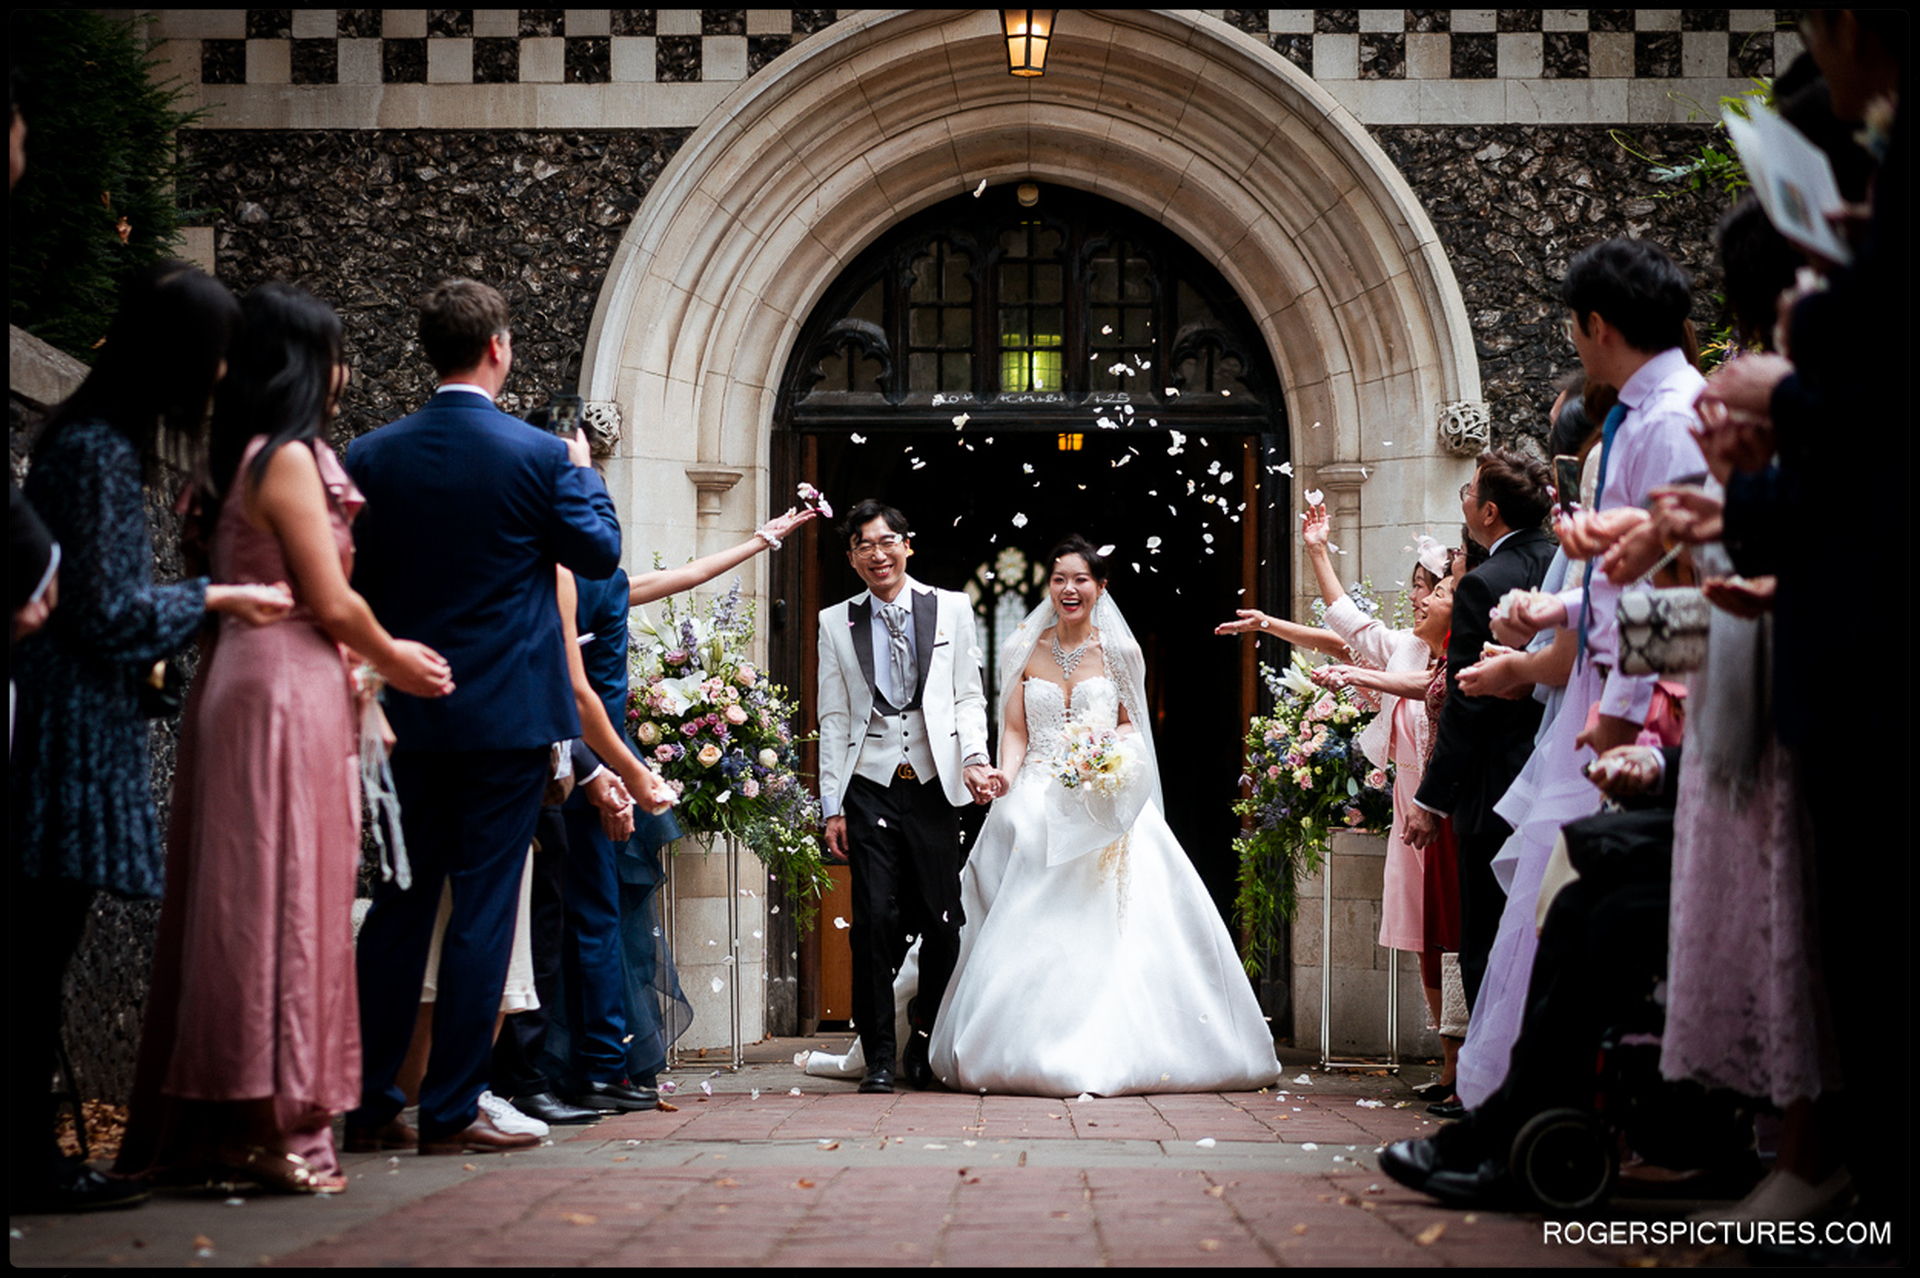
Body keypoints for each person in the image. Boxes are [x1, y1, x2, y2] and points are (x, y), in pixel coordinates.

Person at [114, 282, 455, 1194]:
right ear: (306, 364)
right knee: (286, 902)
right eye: (335, 353)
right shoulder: (291, 458)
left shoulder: (235, 459)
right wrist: (396, 659)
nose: (344, 372)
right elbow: (330, 599)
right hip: (281, 690)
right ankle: (267, 1124)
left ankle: (234, 1125)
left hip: (248, 680)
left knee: (244, 900)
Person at [10, 262, 294, 1212]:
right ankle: (29, 1163)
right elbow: (109, 612)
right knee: (37, 951)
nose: (220, 379)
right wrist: (219, 595)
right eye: (215, 357)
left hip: (75, 721)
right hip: (70, 731)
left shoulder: (94, 442)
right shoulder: (95, 451)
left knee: (40, 947)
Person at [342, 277, 636, 1157]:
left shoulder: (370, 454)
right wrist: (580, 471)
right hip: (506, 721)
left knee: (400, 904)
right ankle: (451, 1108)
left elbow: (354, 578)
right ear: (498, 348)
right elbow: (599, 553)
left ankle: (369, 1104)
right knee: (482, 909)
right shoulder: (541, 457)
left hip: (409, 711)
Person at [1472, 238, 1706, 1111]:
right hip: (1617, 687)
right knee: (1563, 902)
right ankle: (1521, 1111)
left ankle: (1546, 1112)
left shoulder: (1670, 420)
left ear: (1596, 324)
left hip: (1643, 708)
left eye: (1573, 327)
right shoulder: (1645, 415)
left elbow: (1668, 586)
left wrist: (1619, 715)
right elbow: (1628, 575)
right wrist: (1558, 608)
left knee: (1581, 902)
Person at [929, 536, 1281, 1097]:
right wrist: (1005, 777)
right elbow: (1016, 730)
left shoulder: (1122, 652)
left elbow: (1128, 723)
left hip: (1100, 789)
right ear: (1048, 586)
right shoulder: (1024, 647)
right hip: (1036, 784)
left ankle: (1110, 1039)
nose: (1069, 589)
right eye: (1059, 579)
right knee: (1025, 837)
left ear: (1101, 587)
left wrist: (1108, 761)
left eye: (1081, 579)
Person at [816, 499, 997, 1094]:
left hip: (934, 784)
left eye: (886, 541)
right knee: (872, 921)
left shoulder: (951, 608)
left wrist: (974, 757)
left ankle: (921, 1042)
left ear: (906, 545)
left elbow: (968, 694)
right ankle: (877, 1057)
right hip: (868, 785)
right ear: (852, 558)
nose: (877, 554)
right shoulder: (834, 622)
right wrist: (832, 806)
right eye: (864, 545)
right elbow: (833, 716)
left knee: (943, 922)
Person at [1302, 527, 1461, 1099]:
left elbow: (1428, 688)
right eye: (1419, 587)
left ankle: (1462, 1064)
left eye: (1432, 589)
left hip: (1442, 807)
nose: (1418, 598)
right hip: (1409, 807)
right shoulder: (1409, 647)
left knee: (1452, 932)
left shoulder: (1455, 660)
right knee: (1424, 934)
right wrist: (1316, 552)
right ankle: (1449, 1061)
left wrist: (1358, 674)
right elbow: (1346, 629)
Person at [1402, 449, 1556, 1012]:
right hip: (1558, 775)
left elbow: (1466, 703)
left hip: (1495, 789)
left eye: (1468, 492)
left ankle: (1490, 1061)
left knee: (1487, 944)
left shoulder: (1484, 582)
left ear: (1489, 512)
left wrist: (1431, 801)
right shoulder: (1562, 563)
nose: (1464, 500)